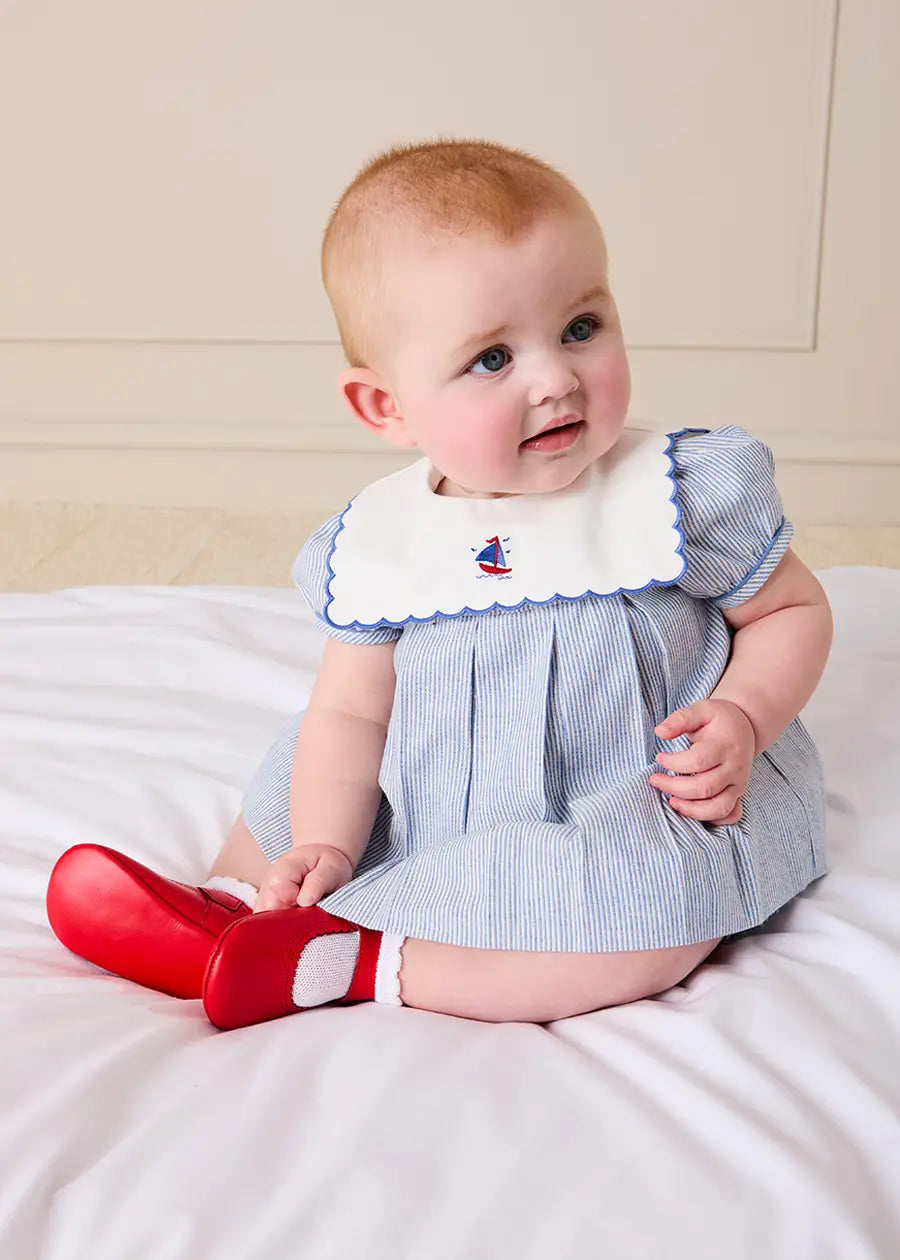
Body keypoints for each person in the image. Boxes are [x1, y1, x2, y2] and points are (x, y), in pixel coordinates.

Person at [46, 138, 833, 1031]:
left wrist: (745, 714)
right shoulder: (382, 544)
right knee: (296, 781)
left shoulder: (676, 494)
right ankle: (234, 909)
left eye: (581, 328)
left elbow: (790, 611)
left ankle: (355, 960)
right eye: (492, 359)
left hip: (615, 794)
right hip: (431, 788)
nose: (555, 379)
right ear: (386, 407)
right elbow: (352, 716)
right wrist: (323, 841)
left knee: (656, 919)